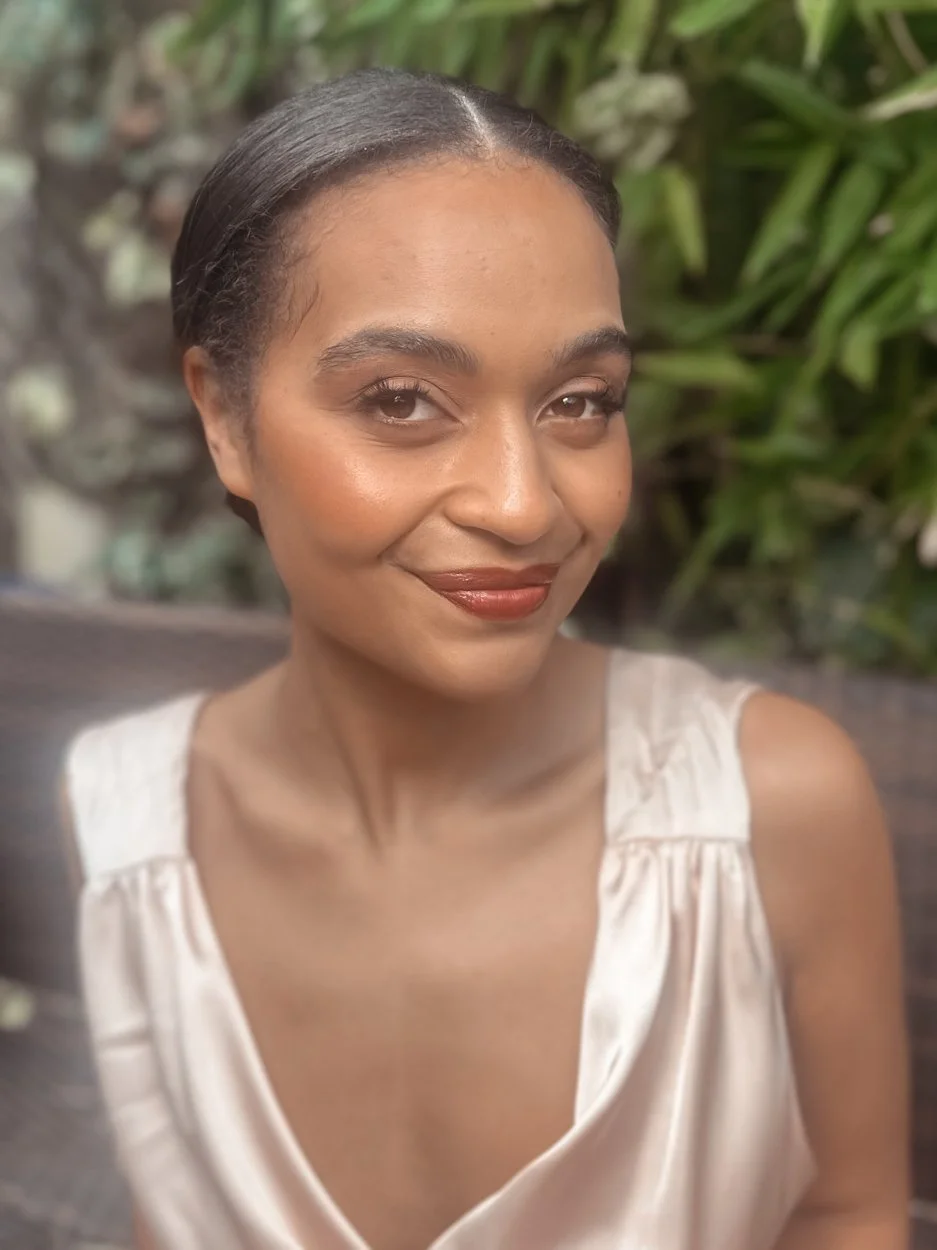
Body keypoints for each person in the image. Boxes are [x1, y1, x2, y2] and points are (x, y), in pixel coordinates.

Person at [61, 68, 908, 1250]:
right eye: (403, 399)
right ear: (223, 416)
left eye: (580, 401)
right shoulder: (134, 829)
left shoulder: (768, 808)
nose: (523, 504)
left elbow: (852, 1211)